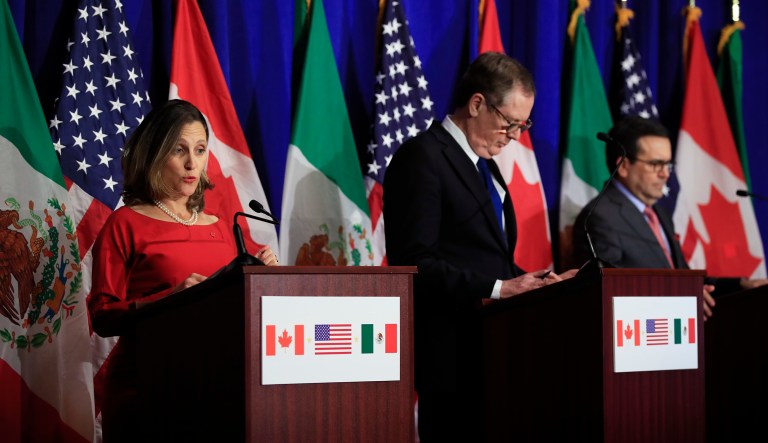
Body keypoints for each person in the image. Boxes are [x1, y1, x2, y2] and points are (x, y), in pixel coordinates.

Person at [383, 52, 575, 442]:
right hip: (452, 358)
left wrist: (536, 285)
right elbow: (414, 263)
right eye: (510, 123)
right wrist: (502, 289)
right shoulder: (422, 157)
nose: (516, 137)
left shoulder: (482, 164)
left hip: (494, 353)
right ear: (476, 104)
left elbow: (487, 257)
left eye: (523, 125)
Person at [88, 99, 277, 441]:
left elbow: (238, 308)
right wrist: (171, 298)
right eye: (180, 150)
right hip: (147, 387)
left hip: (218, 389)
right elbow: (101, 315)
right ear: (155, 154)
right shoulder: (125, 223)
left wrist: (264, 278)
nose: (193, 163)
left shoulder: (223, 227)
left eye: (201, 149)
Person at [572, 115, 767, 319]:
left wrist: (743, 285)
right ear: (623, 165)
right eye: (656, 164)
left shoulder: (659, 213)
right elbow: (607, 287)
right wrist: (680, 295)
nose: (665, 174)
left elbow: (684, 280)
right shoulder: (599, 217)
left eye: (668, 164)